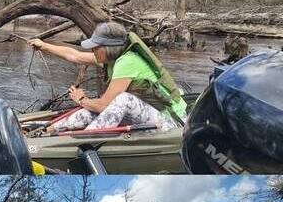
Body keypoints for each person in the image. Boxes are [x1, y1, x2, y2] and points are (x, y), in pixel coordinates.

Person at [29, 22, 187, 134]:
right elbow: (74, 55)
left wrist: (82, 100)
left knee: (122, 100)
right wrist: (44, 45)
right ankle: (45, 132)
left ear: (109, 48)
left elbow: (103, 106)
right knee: (88, 112)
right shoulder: (111, 59)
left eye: (96, 47)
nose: (93, 50)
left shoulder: (128, 62)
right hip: (148, 115)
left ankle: (83, 142)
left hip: (173, 123)